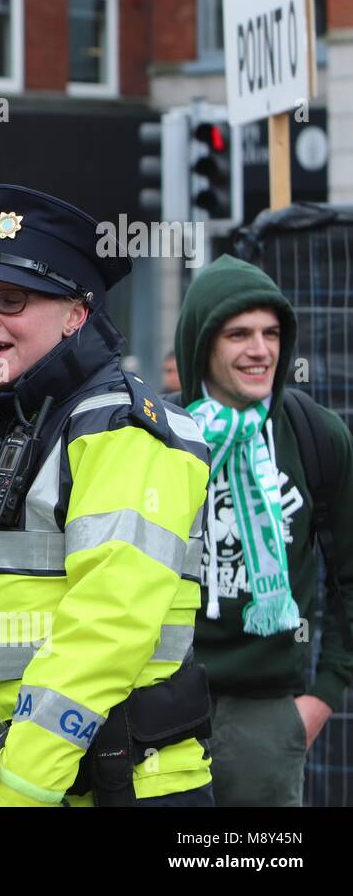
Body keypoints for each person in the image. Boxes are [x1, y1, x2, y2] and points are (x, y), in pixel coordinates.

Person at [0, 185, 214, 806]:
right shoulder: (23, 422)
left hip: (113, 788)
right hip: (41, 782)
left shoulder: (119, 429)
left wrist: (18, 787)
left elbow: (106, 627)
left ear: (75, 314)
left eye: (11, 299)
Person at [172, 256, 353, 807]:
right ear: (203, 343)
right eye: (239, 334)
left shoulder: (316, 435)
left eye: (272, 333)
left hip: (269, 716)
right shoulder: (158, 435)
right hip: (163, 704)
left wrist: (322, 697)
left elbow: (348, 579)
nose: (261, 350)